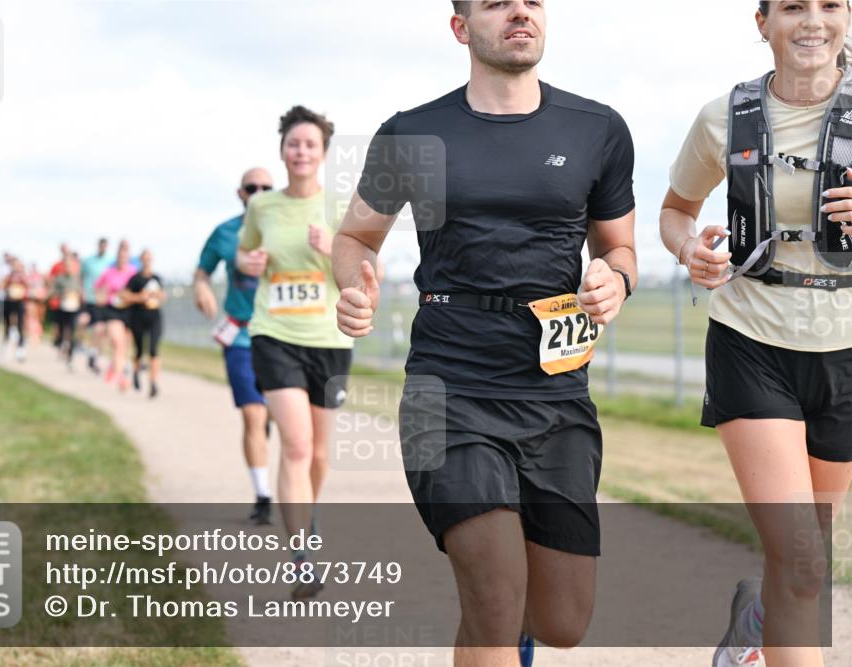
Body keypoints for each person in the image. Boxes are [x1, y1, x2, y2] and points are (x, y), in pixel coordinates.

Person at [332, 2, 637, 665]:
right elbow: (356, 235)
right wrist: (356, 282)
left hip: (555, 395)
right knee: (497, 597)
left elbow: (621, 248)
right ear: (461, 27)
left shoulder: (599, 129)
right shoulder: (411, 133)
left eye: (531, 1)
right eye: (497, 2)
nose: (520, 12)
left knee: (561, 619)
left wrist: (615, 278)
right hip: (449, 387)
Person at [660, 3, 852, 666]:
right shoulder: (723, 117)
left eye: (831, 4)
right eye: (794, 6)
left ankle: (757, 620)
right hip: (751, 339)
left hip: (845, 351)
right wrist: (690, 250)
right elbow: (675, 210)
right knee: (800, 559)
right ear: (763, 21)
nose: (813, 21)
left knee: (807, 557)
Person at [238, 106, 354, 599]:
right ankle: (301, 557)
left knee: (320, 454)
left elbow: (363, 270)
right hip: (274, 333)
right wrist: (249, 261)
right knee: (298, 444)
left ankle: (305, 512)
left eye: (310, 144)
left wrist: (334, 250)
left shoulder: (341, 207)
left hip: (328, 339)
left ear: (323, 153)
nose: (301, 151)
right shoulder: (261, 208)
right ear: (282, 150)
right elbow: (244, 258)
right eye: (293, 143)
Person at [195, 167, 275, 525]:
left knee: (275, 414)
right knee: (252, 414)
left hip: (283, 336)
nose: (258, 192)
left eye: (266, 187)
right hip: (241, 335)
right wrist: (201, 288)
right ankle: (263, 496)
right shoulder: (225, 232)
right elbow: (202, 271)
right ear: (240, 193)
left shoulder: (287, 228)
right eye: (251, 187)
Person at [122, 249, 165, 398]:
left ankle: (153, 382)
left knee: (153, 349)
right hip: (138, 316)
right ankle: (136, 371)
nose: (147, 261)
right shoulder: (135, 279)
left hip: (154, 317)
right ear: (141, 260)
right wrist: (140, 297)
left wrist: (158, 295)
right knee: (139, 350)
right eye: (144, 259)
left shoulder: (157, 278)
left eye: (149, 259)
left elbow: (163, 295)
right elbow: (124, 295)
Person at [94, 244, 137, 391]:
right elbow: (97, 287)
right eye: (120, 256)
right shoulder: (109, 272)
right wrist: (101, 297)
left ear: (128, 258)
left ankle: (116, 367)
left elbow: (138, 290)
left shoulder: (133, 272)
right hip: (112, 310)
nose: (122, 259)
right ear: (117, 256)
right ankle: (121, 377)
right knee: (117, 341)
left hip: (129, 311)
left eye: (125, 256)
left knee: (124, 345)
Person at [79, 238, 113, 373]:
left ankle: (94, 355)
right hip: (91, 299)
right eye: (101, 245)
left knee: (101, 331)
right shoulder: (88, 261)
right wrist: (82, 292)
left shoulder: (110, 262)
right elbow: (81, 277)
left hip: (105, 301)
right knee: (91, 325)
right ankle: (85, 347)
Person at [49, 254, 82, 370]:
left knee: (72, 331)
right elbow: (53, 292)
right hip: (62, 308)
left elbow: (80, 293)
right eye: (66, 265)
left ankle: (70, 357)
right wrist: (62, 293)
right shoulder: (60, 279)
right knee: (63, 330)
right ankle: (62, 346)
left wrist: (76, 295)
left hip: (74, 308)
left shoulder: (77, 279)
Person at [0, 259, 29, 361]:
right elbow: (1, 285)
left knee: (20, 324)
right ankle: (6, 345)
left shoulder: (24, 277)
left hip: (19, 302)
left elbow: (28, 286)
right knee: (7, 324)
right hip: (9, 302)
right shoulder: (8, 277)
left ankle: (20, 348)